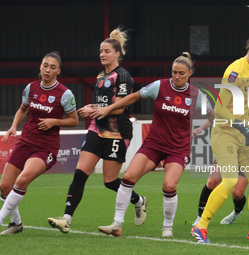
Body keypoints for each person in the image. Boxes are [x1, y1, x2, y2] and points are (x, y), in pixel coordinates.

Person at [91, 52, 215, 237]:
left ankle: (167, 227)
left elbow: (214, 117)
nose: (177, 76)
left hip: (178, 148)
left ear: (190, 73)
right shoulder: (159, 86)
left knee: (169, 186)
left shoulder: (197, 95)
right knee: (128, 177)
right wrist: (108, 108)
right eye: (174, 72)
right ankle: (117, 224)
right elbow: (132, 97)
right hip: (154, 143)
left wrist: (213, 131)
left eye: (182, 73)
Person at [47, 28, 147, 234]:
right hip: (97, 128)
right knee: (80, 174)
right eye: (101, 51)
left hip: (117, 131)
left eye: (107, 51)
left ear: (117, 54)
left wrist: (94, 109)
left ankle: (139, 200)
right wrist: (92, 108)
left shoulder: (123, 76)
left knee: (110, 182)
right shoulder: (101, 75)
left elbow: (120, 107)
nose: (102, 54)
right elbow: (104, 103)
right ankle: (66, 219)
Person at [191, 5, 249, 243]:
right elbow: (218, 109)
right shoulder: (234, 72)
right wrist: (241, 126)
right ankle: (201, 227)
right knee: (228, 181)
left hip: (245, 133)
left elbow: (247, 104)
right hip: (225, 134)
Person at [0, 52, 78, 235]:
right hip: (25, 141)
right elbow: (22, 109)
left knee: (23, 179)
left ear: (58, 71)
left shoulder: (65, 94)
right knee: (4, 186)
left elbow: (74, 120)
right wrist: (13, 126)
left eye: (52, 67)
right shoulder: (31, 88)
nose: (47, 70)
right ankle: (16, 224)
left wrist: (54, 122)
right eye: (45, 65)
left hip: (46, 148)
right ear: (40, 67)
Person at [192, 85, 249, 227]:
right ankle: (200, 217)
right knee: (213, 181)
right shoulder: (233, 93)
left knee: (237, 193)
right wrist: (201, 128)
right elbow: (219, 115)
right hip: (229, 142)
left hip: (248, 145)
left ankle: (236, 213)